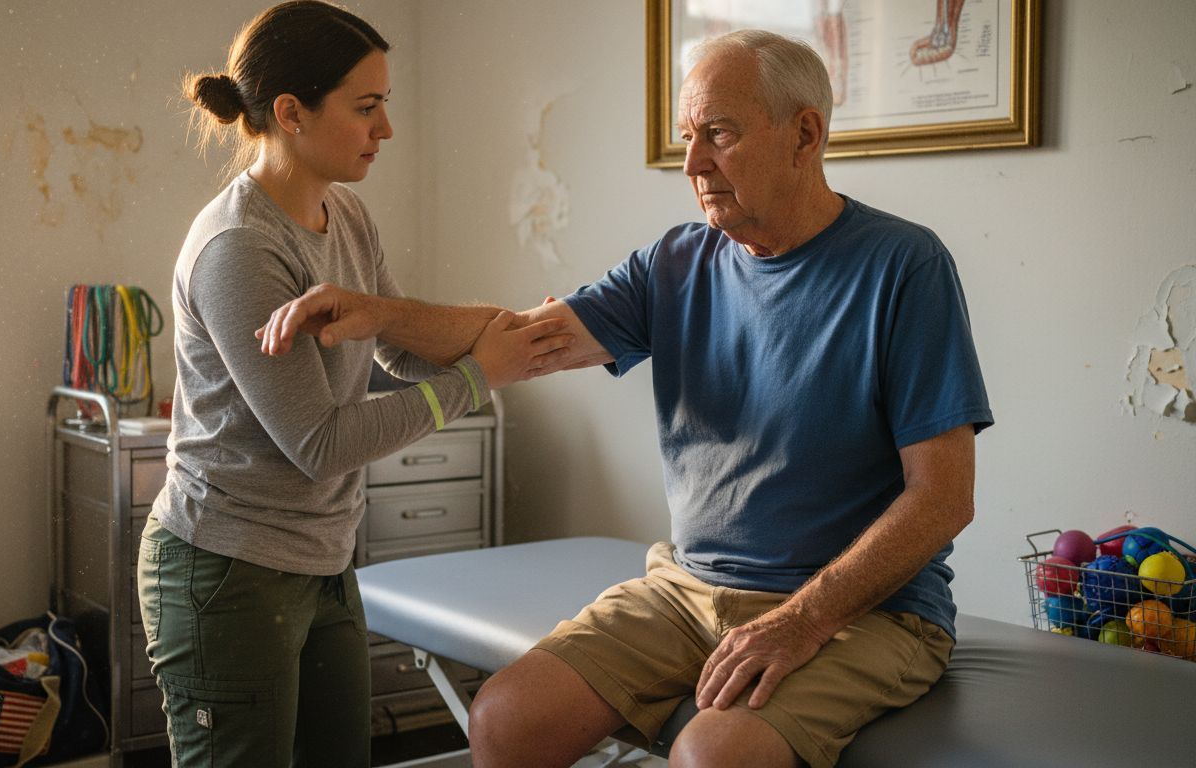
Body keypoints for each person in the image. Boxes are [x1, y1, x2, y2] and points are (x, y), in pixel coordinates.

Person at [257, 28, 993, 768]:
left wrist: (798, 621)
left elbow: (942, 498)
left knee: (714, 755)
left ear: (805, 134)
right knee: (506, 719)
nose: (694, 163)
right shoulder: (676, 262)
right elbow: (523, 338)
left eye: (720, 134)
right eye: (686, 137)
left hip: (862, 615)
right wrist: (383, 315)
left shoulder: (904, 266)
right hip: (687, 590)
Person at [135, 3, 567, 766]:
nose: (385, 129)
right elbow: (320, 443)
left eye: (385, 106)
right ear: (291, 113)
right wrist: (477, 376)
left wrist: (502, 335)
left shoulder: (347, 215)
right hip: (228, 571)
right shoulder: (241, 249)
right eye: (366, 108)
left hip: (324, 563)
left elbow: (392, 351)